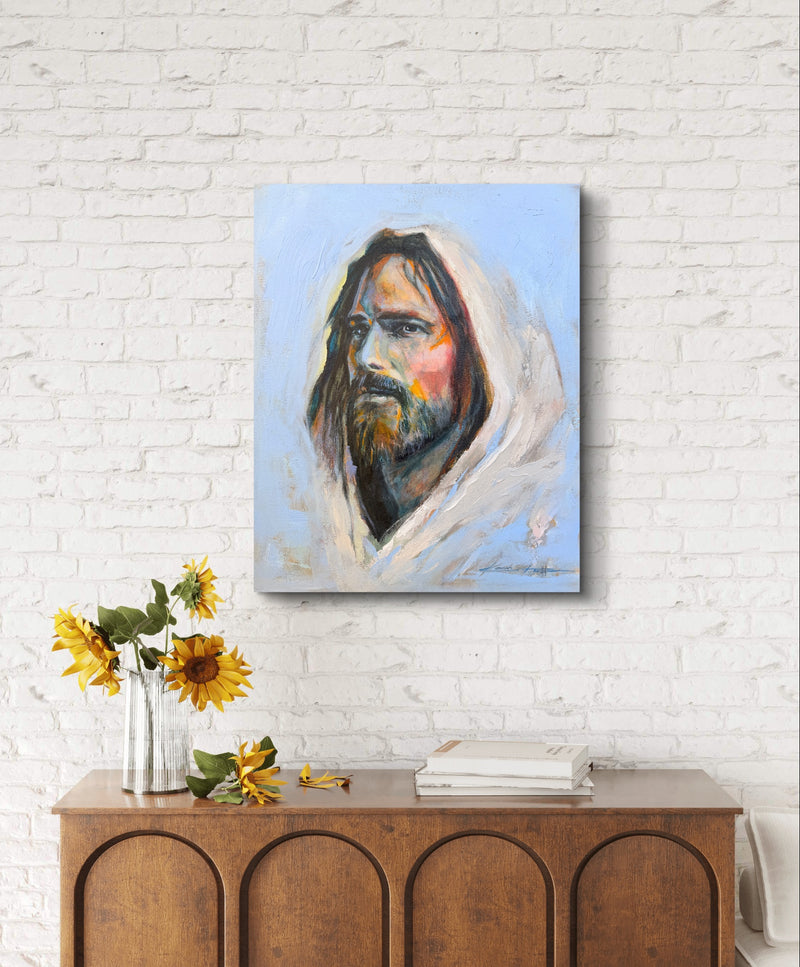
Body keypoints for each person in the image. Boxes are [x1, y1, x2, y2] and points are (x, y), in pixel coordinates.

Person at [301, 225, 576, 592]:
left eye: (405, 328)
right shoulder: (315, 519)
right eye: (357, 329)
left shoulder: (534, 537)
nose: (367, 358)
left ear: (479, 353)